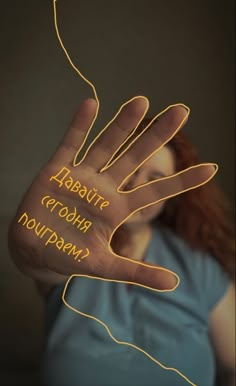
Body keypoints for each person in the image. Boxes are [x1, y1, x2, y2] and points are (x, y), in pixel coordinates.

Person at [8, 97, 235, 386]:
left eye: (156, 179)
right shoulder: (72, 248)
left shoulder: (197, 265)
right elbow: (39, 261)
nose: (136, 185)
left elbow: (233, 365)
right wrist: (32, 247)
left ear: (172, 197)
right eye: (132, 170)